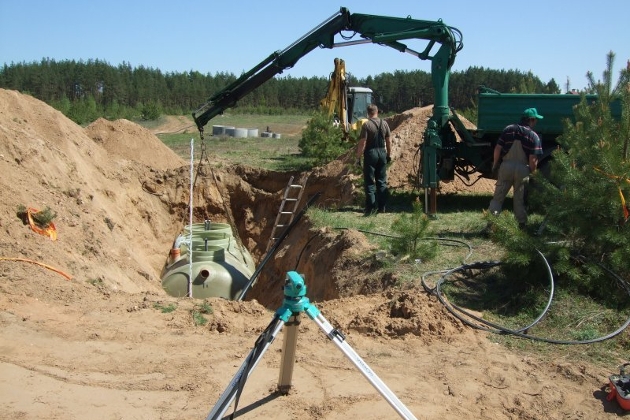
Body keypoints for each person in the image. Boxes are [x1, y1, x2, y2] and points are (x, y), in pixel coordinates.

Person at [487, 107, 544, 229]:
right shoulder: (534, 136)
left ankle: (491, 225)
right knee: (519, 198)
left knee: (498, 197)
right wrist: (534, 175)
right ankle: (521, 225)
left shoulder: (508, 130)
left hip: (506, 166)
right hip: (523, 169)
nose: (536, 123)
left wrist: (495, 164)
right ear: (531, 120)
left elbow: (497, 149)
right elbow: (532, 159)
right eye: (536, 120)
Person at [355, 104, 392, 215]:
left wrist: (358, 157)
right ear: (377, 112)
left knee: (370, 181)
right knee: (381, 181)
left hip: (371, 153)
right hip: (382, 152)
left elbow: (363, 142)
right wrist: (389, 154)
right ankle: (382, 207)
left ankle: (370, 208)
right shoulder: (384, 123)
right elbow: (388, 141)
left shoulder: (366, 125)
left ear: (368, 113)